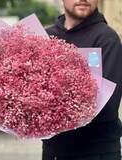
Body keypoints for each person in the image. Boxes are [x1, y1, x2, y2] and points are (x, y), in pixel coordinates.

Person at [42, 0, 122, 159]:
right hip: (54, 151)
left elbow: (108, 107)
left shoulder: (107, 39)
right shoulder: (46, 37)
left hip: (96, 151)